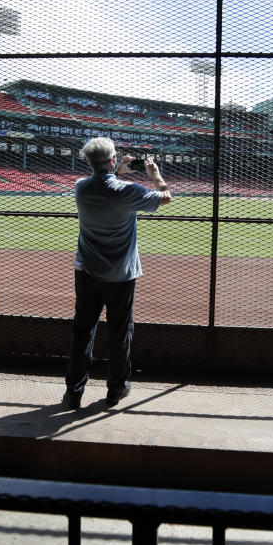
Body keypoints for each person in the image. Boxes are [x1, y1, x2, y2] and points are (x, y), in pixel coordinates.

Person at [63, 137, 171, 409]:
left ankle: (73, 392)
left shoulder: (81, 188)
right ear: (112, 160)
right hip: (120, 275)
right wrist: (156, 175)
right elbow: (165, 198)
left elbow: (103, 180)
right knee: (119, 331)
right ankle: (116, 389)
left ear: (90, 161)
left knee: (83, 331)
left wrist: (115, 170)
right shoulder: (128, 191)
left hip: (86, 272)